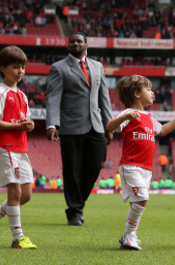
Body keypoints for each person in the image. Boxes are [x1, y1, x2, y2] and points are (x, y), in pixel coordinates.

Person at [106, 75, 175, 250]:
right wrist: (125, 118)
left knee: (136, 202)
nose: (152, 93)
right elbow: (109, 127)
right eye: (148, 89)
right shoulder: (128, 113)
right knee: (143, 198)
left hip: (146, 169)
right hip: (130, 165)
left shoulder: (149, 117)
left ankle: (130, 236)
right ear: (137, 93)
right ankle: (129, 235)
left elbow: (163, 131)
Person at [45, 32, 114, 226]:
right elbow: (53, 98)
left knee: (96, 164)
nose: (75, 43)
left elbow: (104, 98)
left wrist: (109, 124)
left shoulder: (97, 67)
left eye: (79, 41)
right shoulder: (58, 68)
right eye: (72, 41)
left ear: (86, 45)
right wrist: (52, 124)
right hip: (70, 127)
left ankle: (78, 203)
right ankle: (74, 211)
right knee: (72, 171)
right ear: (69, 45)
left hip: (96, 125)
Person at [0, 45, 37, 249]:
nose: (20, 71)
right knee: (15, 193)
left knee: (26, 195)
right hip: (6, 147)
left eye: (22, 67)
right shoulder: (0, 93)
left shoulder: (22, 96)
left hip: (21, 149)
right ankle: (17, 237)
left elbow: (24, 120)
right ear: (2, 68)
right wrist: (19, 125)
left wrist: (29, 125)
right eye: (15, 67)